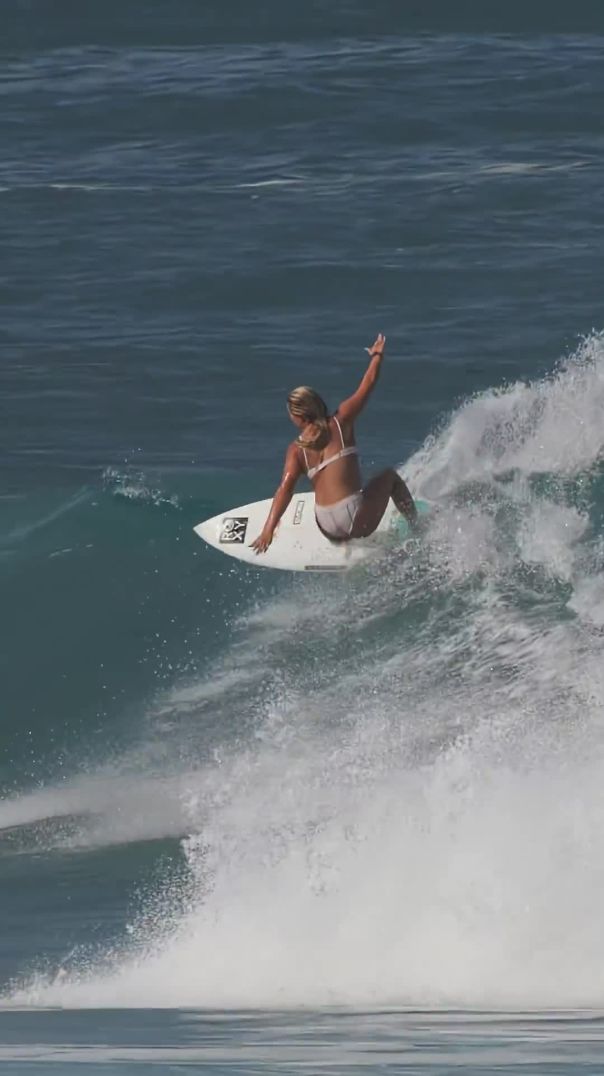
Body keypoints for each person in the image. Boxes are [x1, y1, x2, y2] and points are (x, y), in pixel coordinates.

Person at [251, 333, 417, 553]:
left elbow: (285, 490)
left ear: (299, 416)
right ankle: (418, 529)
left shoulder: (295, 450)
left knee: (341, 492)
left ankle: (342, 540)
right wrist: (377, 356)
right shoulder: (341, 421)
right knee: (389, 477)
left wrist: (268, 530)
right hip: (354, 519)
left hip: (326, 525)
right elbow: (368, 384)